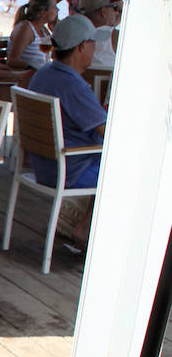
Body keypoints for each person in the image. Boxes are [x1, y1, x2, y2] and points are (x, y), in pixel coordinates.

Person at [27, 14, 107, 244]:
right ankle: (86, 229)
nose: (95, 48)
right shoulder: (73, 85)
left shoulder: (44, 74)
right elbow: (108, 132)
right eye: (93, 43)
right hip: (69, 170)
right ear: (82, 47)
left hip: (44, 165)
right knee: (122, 169)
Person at [7, 0, 57, 71]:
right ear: (43, 13)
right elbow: (12, 61)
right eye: (54, 7)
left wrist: (55, 29)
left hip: (40, 76)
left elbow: (54, 55)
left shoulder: (43, 30)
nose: (58, 10)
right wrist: (35, 68)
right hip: (27, 78)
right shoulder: (25, 29)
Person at [78, 0, 123, 66]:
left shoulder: (74, 36)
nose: (117, 13)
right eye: (115, 8)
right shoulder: (117, 37)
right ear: (104, 12)